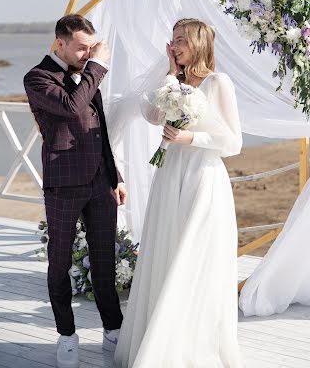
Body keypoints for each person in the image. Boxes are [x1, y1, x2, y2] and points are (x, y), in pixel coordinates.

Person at [114, 18, 243, 368]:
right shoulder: (175, 82)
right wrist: (170, 75)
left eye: (182, 40)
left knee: (194, 254)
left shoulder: (219, 83)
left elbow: (234, 142)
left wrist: (192, 138)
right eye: (172, 40)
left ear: (199, 43)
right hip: (170, 175)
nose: (174, 46)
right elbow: (155, 115)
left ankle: (193, 346)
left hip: (202, 177)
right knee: (167, 252)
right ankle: (158, 339)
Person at [23, 14, 127, 368]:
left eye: (91, 46)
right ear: (60, 43)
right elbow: (72, 108)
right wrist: (97, 65)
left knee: (104, 261)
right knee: (60, 262)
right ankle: (66, 335)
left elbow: (101, 131)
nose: (87, 53)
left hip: (100, 184)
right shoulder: (37, 77)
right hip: (64, 185)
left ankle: (113, 329)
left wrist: (116, 176)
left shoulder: (87, 75)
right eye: (81, 47)